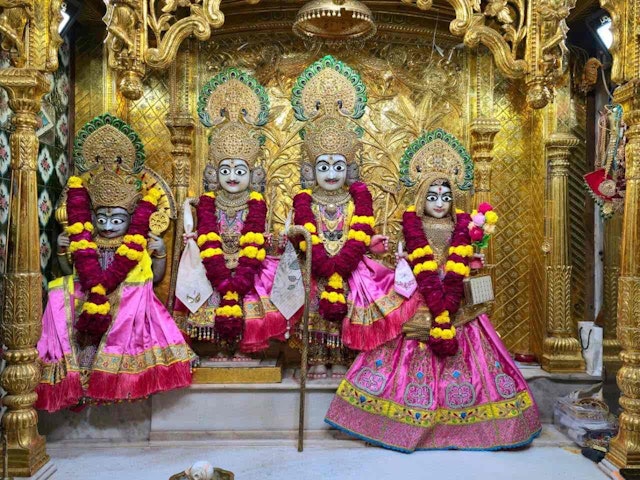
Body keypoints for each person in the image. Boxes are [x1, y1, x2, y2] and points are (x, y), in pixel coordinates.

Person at [325, 129, 542, 451]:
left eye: (445, 197)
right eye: (432, 197)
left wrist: (472, 259)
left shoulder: (463, 227)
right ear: (421, 198)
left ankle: (470, 426)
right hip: (419, 296)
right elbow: (401, 259)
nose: (439, 203)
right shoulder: (412, 225)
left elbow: (463, 261)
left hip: (457, 303)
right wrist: (391, 255)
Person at [36, 114, 193, 412]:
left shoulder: (135, 243)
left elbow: (157, 277)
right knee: (59, 291)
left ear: (131, 220)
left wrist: (159, 252)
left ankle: (118, 377)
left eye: (117, 220)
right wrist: (61, 252)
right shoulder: (86, 240)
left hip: (127, 299)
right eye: (102, 219)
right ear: (91, 218)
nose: (108, 226)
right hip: (88, 298)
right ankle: (77, 376)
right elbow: (73, 272)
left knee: (135, 295)